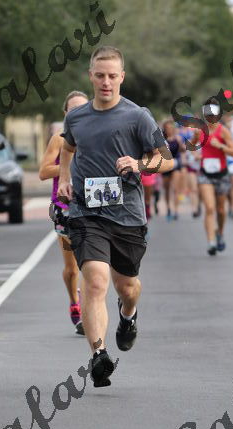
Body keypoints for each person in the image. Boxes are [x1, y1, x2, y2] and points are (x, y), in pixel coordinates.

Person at [57, 45, 174, 387]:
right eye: (100, 75)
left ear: (121, 77)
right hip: (86, 212)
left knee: (128, 287)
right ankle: (99, 355)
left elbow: (166, 159)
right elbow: (67, 147)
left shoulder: (138, 116)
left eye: (112, 76)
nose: (106, 82)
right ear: (90, 76)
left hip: (127, 216)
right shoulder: (76, 118)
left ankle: (129, 314)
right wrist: (63, 178)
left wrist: (138, 164)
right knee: (95, 281)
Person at [39, 90, 89, 334]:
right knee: (72, 268)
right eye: (73, 109)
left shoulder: (97, 136)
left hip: (92, 207)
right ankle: (74, 302)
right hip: (65, 209)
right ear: (66, 113)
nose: (78, 113)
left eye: (83, 108)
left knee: (93, 264)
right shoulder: (59, 139)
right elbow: (43, 171)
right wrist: (68, 167)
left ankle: (89, 311)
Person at [191, 102, 233, 255]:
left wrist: (221, 146)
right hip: (205, 174)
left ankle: (220, 233)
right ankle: (211, 242)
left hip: (221, 174)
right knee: (210, 208)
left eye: (213, 115)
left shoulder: (223, 131)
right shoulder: (200, 131)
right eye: (208, 115)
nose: (210, 118)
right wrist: (195, 154)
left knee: (221, 210)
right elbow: (191, 146)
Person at [162, 119, 184, 221]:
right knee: (167, 188)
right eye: (167, 128)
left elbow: (183, 150)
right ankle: (168, 208)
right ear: (165, 129)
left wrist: (180, 144)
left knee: (175, 188)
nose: (169, 129)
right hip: (166, 165)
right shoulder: (162, 140)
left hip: (176, 164)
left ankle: (176, 210)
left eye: (171, 128)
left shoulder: (178, 138)